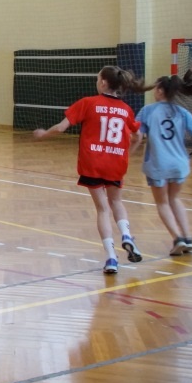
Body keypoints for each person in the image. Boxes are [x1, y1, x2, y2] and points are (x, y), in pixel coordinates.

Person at [33, 66, 145, 275]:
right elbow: (138, 136)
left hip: (92, 163)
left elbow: (61, 127)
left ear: (103, 83)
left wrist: (43, 134)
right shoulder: (126, 109)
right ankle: (126, 235)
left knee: (102, 209)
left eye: (97, 78)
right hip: (115, 163)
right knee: (116, 202)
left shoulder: (88, 103)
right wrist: (126, 154)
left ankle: (111, 258)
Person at [134, 74, 192, 255]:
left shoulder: (147, 111)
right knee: (174, 199)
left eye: (155, 88)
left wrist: (126, 152)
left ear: (160, 91)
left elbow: (137, 137)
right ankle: (188, 237)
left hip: (158, 164)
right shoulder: (183, 112)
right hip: (179, 164)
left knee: (162, 203)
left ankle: (177, 238)